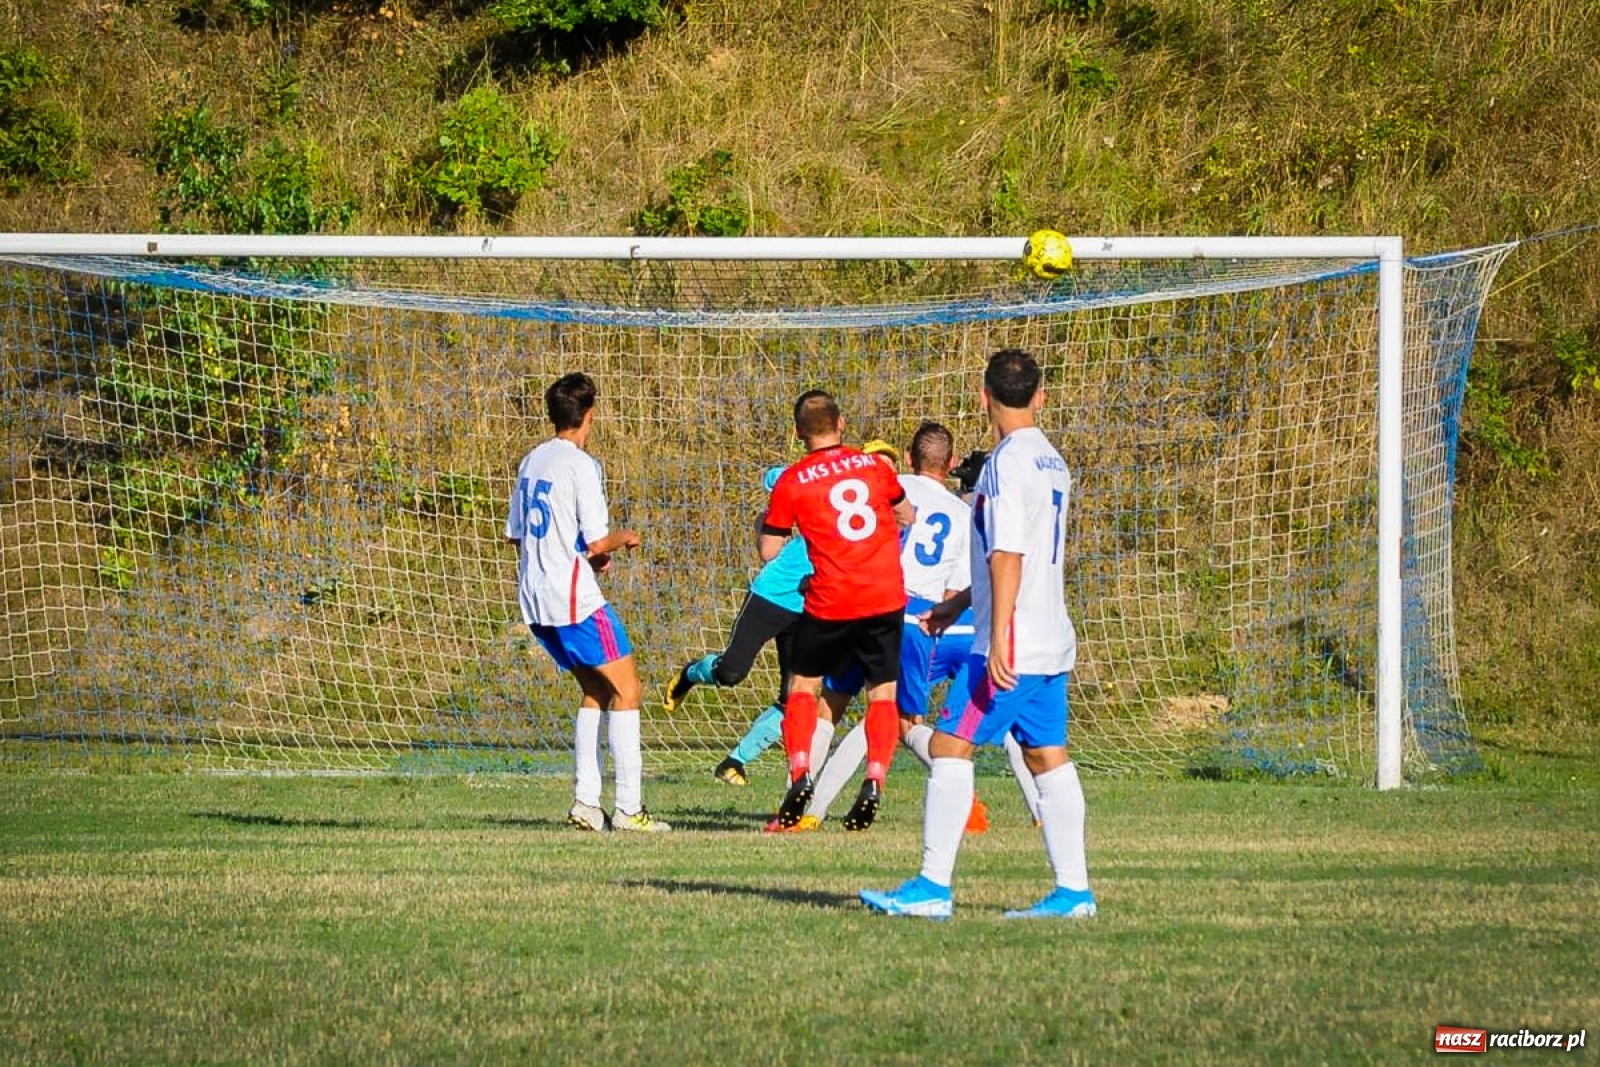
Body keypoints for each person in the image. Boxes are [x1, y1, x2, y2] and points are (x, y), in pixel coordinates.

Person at [861, 348, 1094, 919]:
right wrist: (958, 604)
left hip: (1013, 644)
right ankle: (1074, 892)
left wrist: (1000, 640)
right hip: (1051, 637)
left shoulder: (1005, 463)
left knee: (948, 746)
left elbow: (1008, 555)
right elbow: (1019, 552)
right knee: (1046, 757)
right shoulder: (1050, 459)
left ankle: (931, 887)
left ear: (982, 396)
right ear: (1040, 396)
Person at [795, 423, 1042, 833]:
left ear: (908, 458)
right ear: (949, 463)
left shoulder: (886, 485)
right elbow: (955, 586)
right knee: (915, 715)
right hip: (941, 621)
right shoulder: (964, 514)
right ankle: (1028, 806)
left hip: (877, 607)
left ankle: (806, 808)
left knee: (849, 709)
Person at [505, 371, 670, 834]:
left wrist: (582, 554)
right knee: (628, 690)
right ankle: (630, 809)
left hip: (536, 598)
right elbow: (598, 541)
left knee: (597, 690)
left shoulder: (531, 460)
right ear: (590, 416)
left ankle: (585, 804)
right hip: (573, 599)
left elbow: (518, 534)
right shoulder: (582, 464)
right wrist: (624, 539)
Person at [758, 390, 914, 830]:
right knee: (882, 693)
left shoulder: (793, 480)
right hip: (885, 596)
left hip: (832, 598)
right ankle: (875, 778)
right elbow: (907, 515)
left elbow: (769, 550)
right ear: (841, 424)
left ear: (797, 433)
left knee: (803, 687)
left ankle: (801, 772)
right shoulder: (874, 467)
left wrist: (764, 523)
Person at [661, 465, 812, 788]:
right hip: (771, 596)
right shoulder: (817, 482)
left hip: (811, 608)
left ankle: (735, 761)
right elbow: (773, 476)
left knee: (795, 697)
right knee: (732, 672)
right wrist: (774, 517)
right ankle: (691, 673)